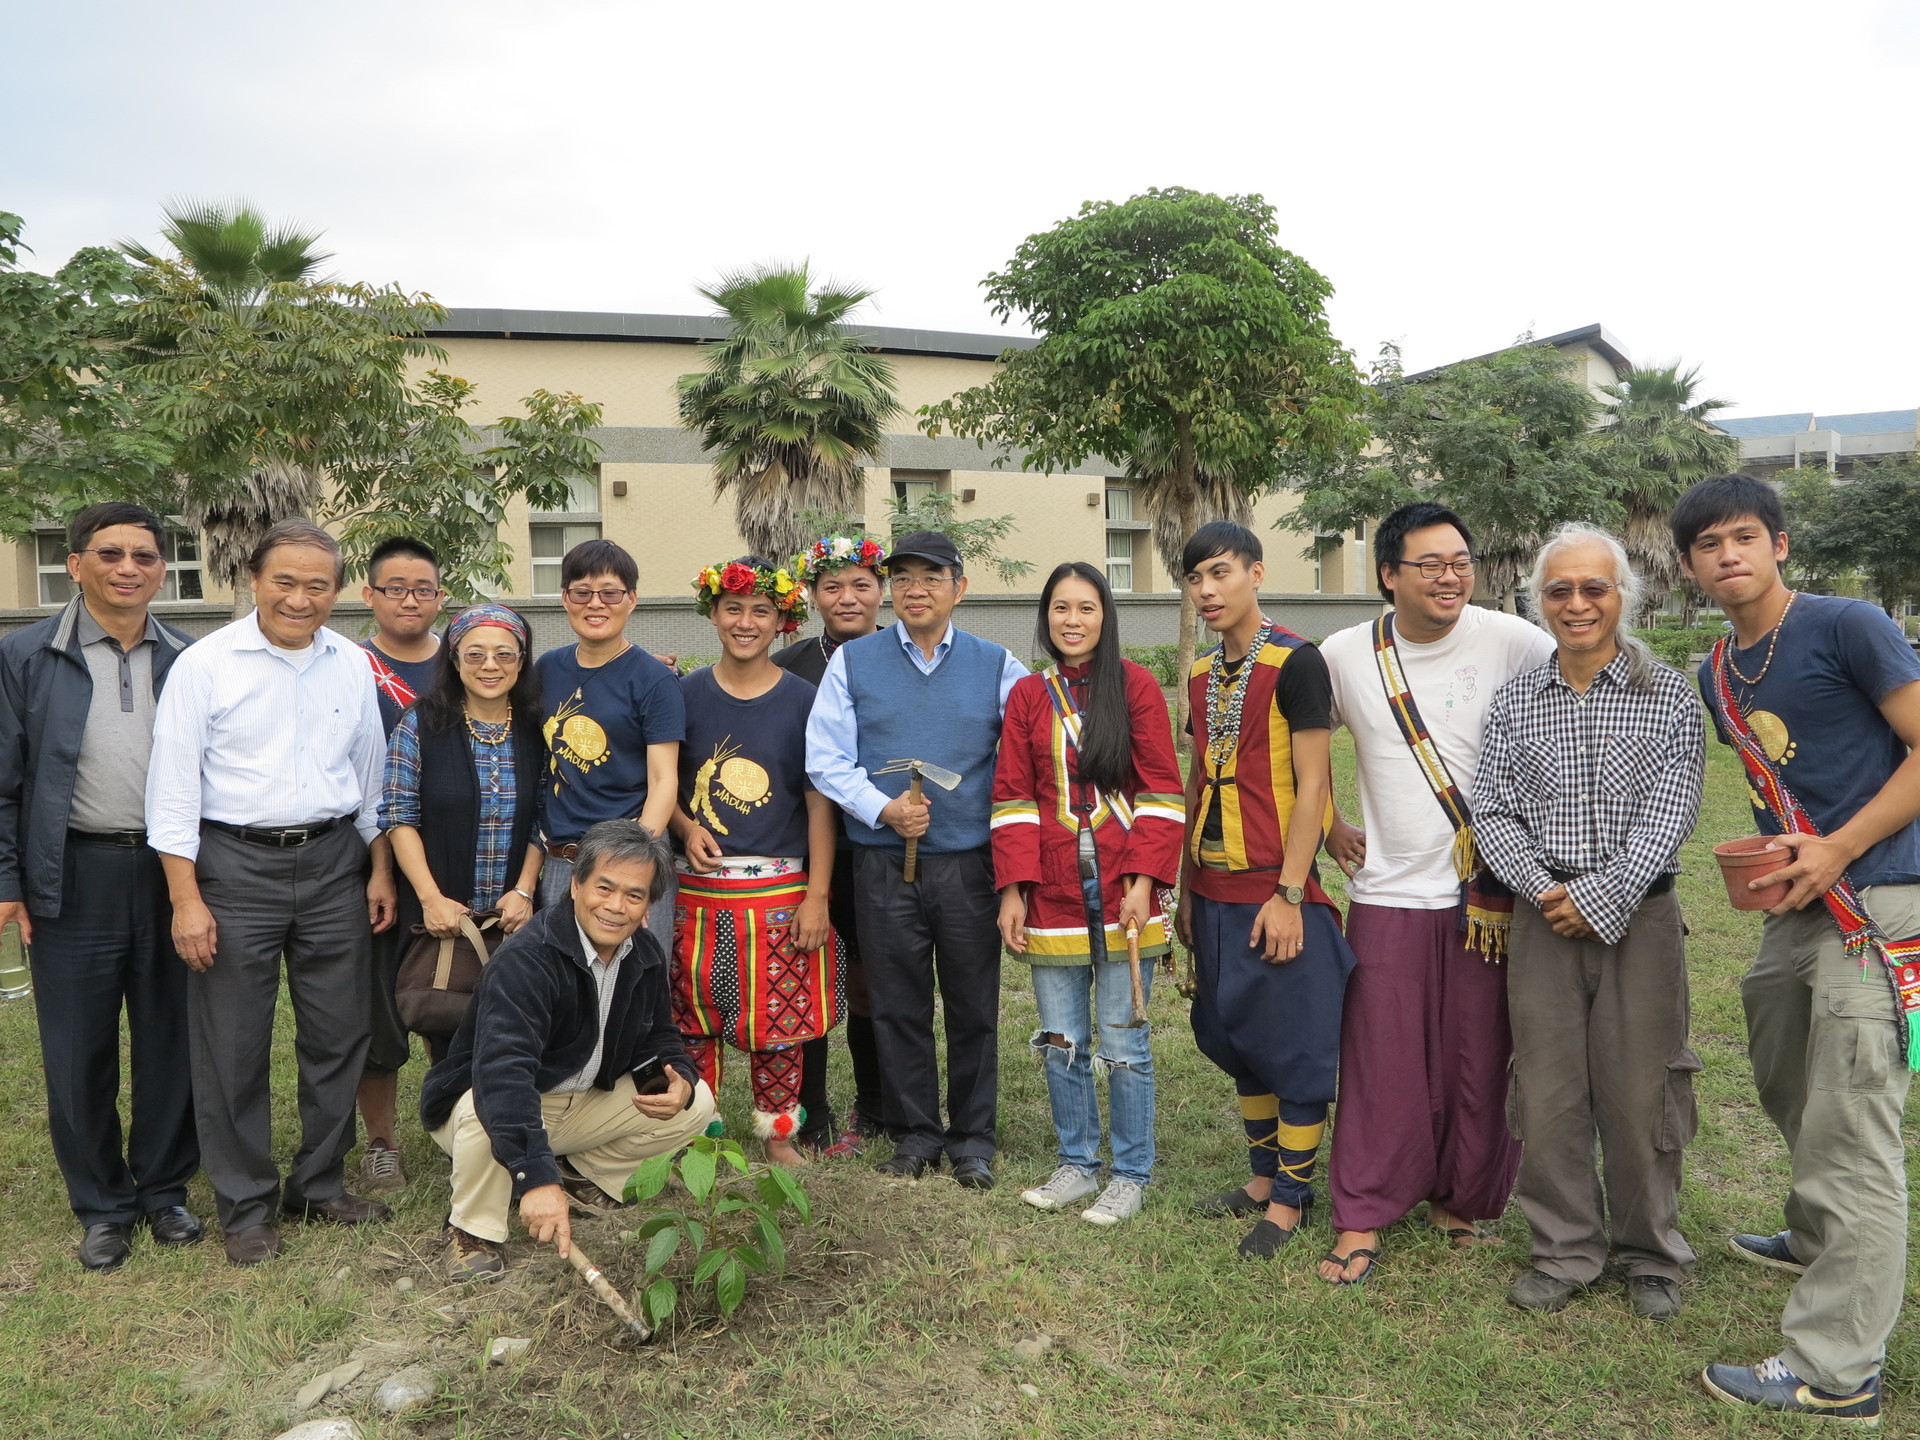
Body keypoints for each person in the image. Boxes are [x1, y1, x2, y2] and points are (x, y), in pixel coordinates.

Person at [1675, 476, 1920, 1425]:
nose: (1728, 555)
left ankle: (1836, 1369)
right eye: (1709, 545)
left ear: (1779, 544)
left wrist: (1840, 849)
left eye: (1744, 537)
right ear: (1691, 566)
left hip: (1884, 898)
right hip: (1802, 904)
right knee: (1780, 1065)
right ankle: (1820, 1230)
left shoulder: (1848, 624)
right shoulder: (1718, 672)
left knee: (1853, 1127)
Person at [146, 519, 397, 1266]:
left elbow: (371, 776)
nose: (299, 597)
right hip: (233, 867)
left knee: (338, 1031)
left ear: (338, 591)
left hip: (331, 863)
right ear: (253, 580)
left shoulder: (352, 663)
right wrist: (185, 899)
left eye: (316, 584)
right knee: (233, 1044)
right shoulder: (206, 664)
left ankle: (318, 1184)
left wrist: (378, 867)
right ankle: (247, 1205)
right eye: (284, 581)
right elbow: (171, 790)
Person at [1314, 503, 1554, 1285]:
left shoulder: (1515, 641)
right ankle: (1364, 1210)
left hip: (1493, 889)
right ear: (1389, 575)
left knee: (1482, 1055)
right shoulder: (1346, 654)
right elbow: (1298, 750)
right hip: (1387, 889)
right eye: (1430, 564)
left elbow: (1585, 693)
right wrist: (1326, 823)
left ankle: (1466, 1198)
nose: (1451, 576)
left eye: (1461, 560)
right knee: (1380, 1058)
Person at [1472, 523, 1704, 1322]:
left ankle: (1650, 1254)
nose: (1576, 604)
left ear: (1623, 597)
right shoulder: (1515, 701)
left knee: (1645, 1092)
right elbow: (1493, 812)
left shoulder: (1668, 694)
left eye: (1594, 588)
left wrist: (1600, 898)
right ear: (1541, 601)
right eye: (1560, 590)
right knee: (1548, 1091)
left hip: (1640, 917)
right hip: (1542, 918)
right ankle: (1565, 1248)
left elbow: (1671, 813)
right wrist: (1543, 891)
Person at [0, 503, 202, 1271]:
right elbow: (4, 783)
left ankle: (165, 1191)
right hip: (71, 874)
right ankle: (103, 1206)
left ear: (161, 569)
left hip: (168, 873)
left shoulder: (190, 658)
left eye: (145, 556)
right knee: (77, 1050)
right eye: (110, 553)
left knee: (170, 1038)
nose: (129, 568)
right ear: (75, 564)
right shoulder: (26, 656)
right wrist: (8, 881)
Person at [806, 530, 1027, 1187]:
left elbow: (1026, 751)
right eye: (902, 578)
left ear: (959, 587)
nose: (915, 589)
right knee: (897, 1002)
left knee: (971, 1003)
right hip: (881, 864)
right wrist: (881, 808)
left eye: (931, 576)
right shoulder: (854, 663)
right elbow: (825, 759)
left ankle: (972, 1137)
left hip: (967, 865)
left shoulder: (996, 664)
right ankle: (914, 1132)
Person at [419, 820, 716, 1281]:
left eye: (634, 896)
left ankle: (583, 1178)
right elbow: (504, 1074)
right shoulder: (527, 959)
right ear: (575, 885)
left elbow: (659, 1033)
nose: (616, 907)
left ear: (648, 905)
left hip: (577, 1102)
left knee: (696, 1102)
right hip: (495, 1103)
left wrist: (676, 1072)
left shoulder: (645, 951)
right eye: (604, 888)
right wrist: (535, 1180)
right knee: (485, 1105)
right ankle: (470, 1232)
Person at [1175, 521, 1354, 1259]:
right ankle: (1258, 1176)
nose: (1208, 590)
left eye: (1221, 572)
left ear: (1255, 572)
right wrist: (1183, 886)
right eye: (1195, 578)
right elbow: (1198, 778)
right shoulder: (1197, 675)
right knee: (1231, 1032)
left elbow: (1313, 781)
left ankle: (1289, 1198)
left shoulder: (1297, 662)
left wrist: (1289, 891)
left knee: (1295, 1045)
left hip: (1273, 886)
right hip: (1211, 885)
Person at [993, 562, 1184, 1226]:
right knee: (1059, 1036)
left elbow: (1161, 790)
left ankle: (1130, 1173)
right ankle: (1078, 1163)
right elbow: (1014, 796)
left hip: (1126, 882)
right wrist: (1014, 889)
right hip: (1050, 889)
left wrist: (1143, 883)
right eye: (1060, 608)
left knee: (1123, 1040)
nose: (1072, 620)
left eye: (1086, 608)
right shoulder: (1027, 696)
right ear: (1046, 617)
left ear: (1106, 616)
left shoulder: (1134, 687)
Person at [670, 556, 840, 1165]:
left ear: (781, 621)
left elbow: (820, 804)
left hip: (779, 891)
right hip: (698, 891)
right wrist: (685, 827)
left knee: (780, 1023)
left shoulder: (805, 700)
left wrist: (816, 895)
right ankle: (702, 1132)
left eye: (761, 611)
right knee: (693, 1018)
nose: (746, 622)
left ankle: (778, 1134)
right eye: (733, 608)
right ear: (712, 613)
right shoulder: (681, 693)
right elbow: (659, 781)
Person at [377, 602, 546, 1043]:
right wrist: (432, 899)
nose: (490, 665)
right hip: (444, 914)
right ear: (453, 660)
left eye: (504, 654)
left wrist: (525, 891)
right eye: (474, 654)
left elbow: (544, 818)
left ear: (522, 661)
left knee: (518, 1037)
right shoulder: (419, 723)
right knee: (448, 1031)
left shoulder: (537, 727)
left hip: (514, 914)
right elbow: (398, 815)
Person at [774, 534, 891, 1156]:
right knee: (805, 979)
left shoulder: (904, 655)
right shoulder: (792, 666)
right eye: (832, 586)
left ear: (882, 590)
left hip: (882, 849)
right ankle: (808, 1110)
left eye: (861, 584)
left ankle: (876, 1106)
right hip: (808, 849)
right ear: (814, 595)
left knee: (876, 981)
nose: (847, 598)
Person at [535, 540, 685, 953]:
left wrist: (634, 865)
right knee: (562, 993)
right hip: (559, 860)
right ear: (565, 598)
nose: (595, 604)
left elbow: (663, 779)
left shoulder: (653, 679)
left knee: (635, 993)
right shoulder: (547, 668)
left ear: (631, 600)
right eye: (582, 592)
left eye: (610, 593)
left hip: (628, 866)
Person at [354, 535, 446, 1193]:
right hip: (374, 864)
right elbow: (360, 777)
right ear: (369, 595)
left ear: (441, 597)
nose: (409, 600)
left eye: (422, 589)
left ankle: (454, 1121)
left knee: (456, 994)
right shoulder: (347, 666)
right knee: (375, 1008)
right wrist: (379, 867)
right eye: (395, 588)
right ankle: (381, 1141)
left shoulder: (469, 659)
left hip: (456, 863)